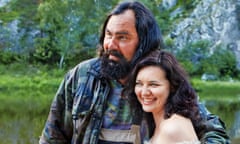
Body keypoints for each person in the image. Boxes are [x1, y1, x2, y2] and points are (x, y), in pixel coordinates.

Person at [39, 1, 230, 144]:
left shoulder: (161, 80)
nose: (110, 45)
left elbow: (215, 131)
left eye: (122, 37)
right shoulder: (81, 76)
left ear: (144, 42)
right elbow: (52, 136)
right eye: (108, 35)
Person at [122, 50, 210, 144]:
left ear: (172, 86)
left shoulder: (172, 128)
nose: (144, 92)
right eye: (139, 84)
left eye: (153, 85)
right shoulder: (161, 121)